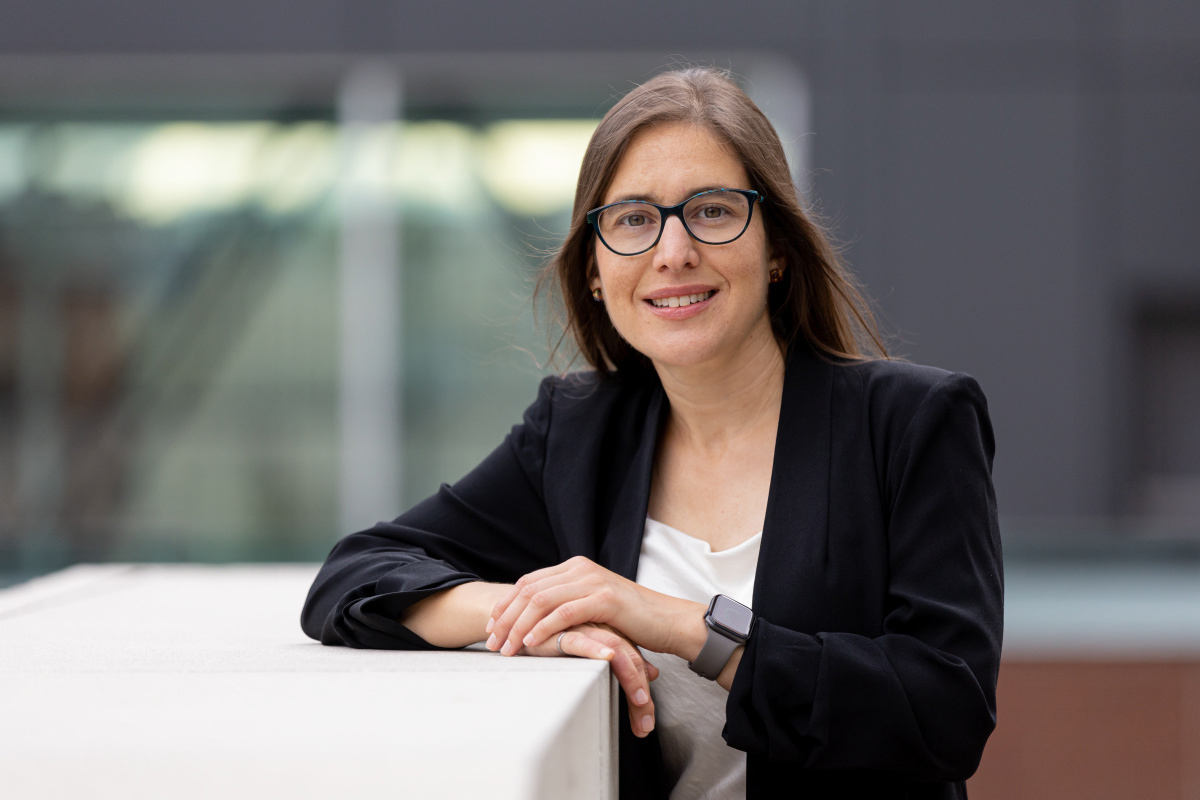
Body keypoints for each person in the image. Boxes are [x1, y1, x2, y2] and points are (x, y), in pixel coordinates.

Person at [301, 67, 1002, 800]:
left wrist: (690, 627)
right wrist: (536, 616)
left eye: (712, 211)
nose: (672, 252)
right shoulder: (577, 433)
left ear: (777, 248)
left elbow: (944, 711)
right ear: (597, 271)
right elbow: (354, 575)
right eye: (634, 218)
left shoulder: (912, 423)